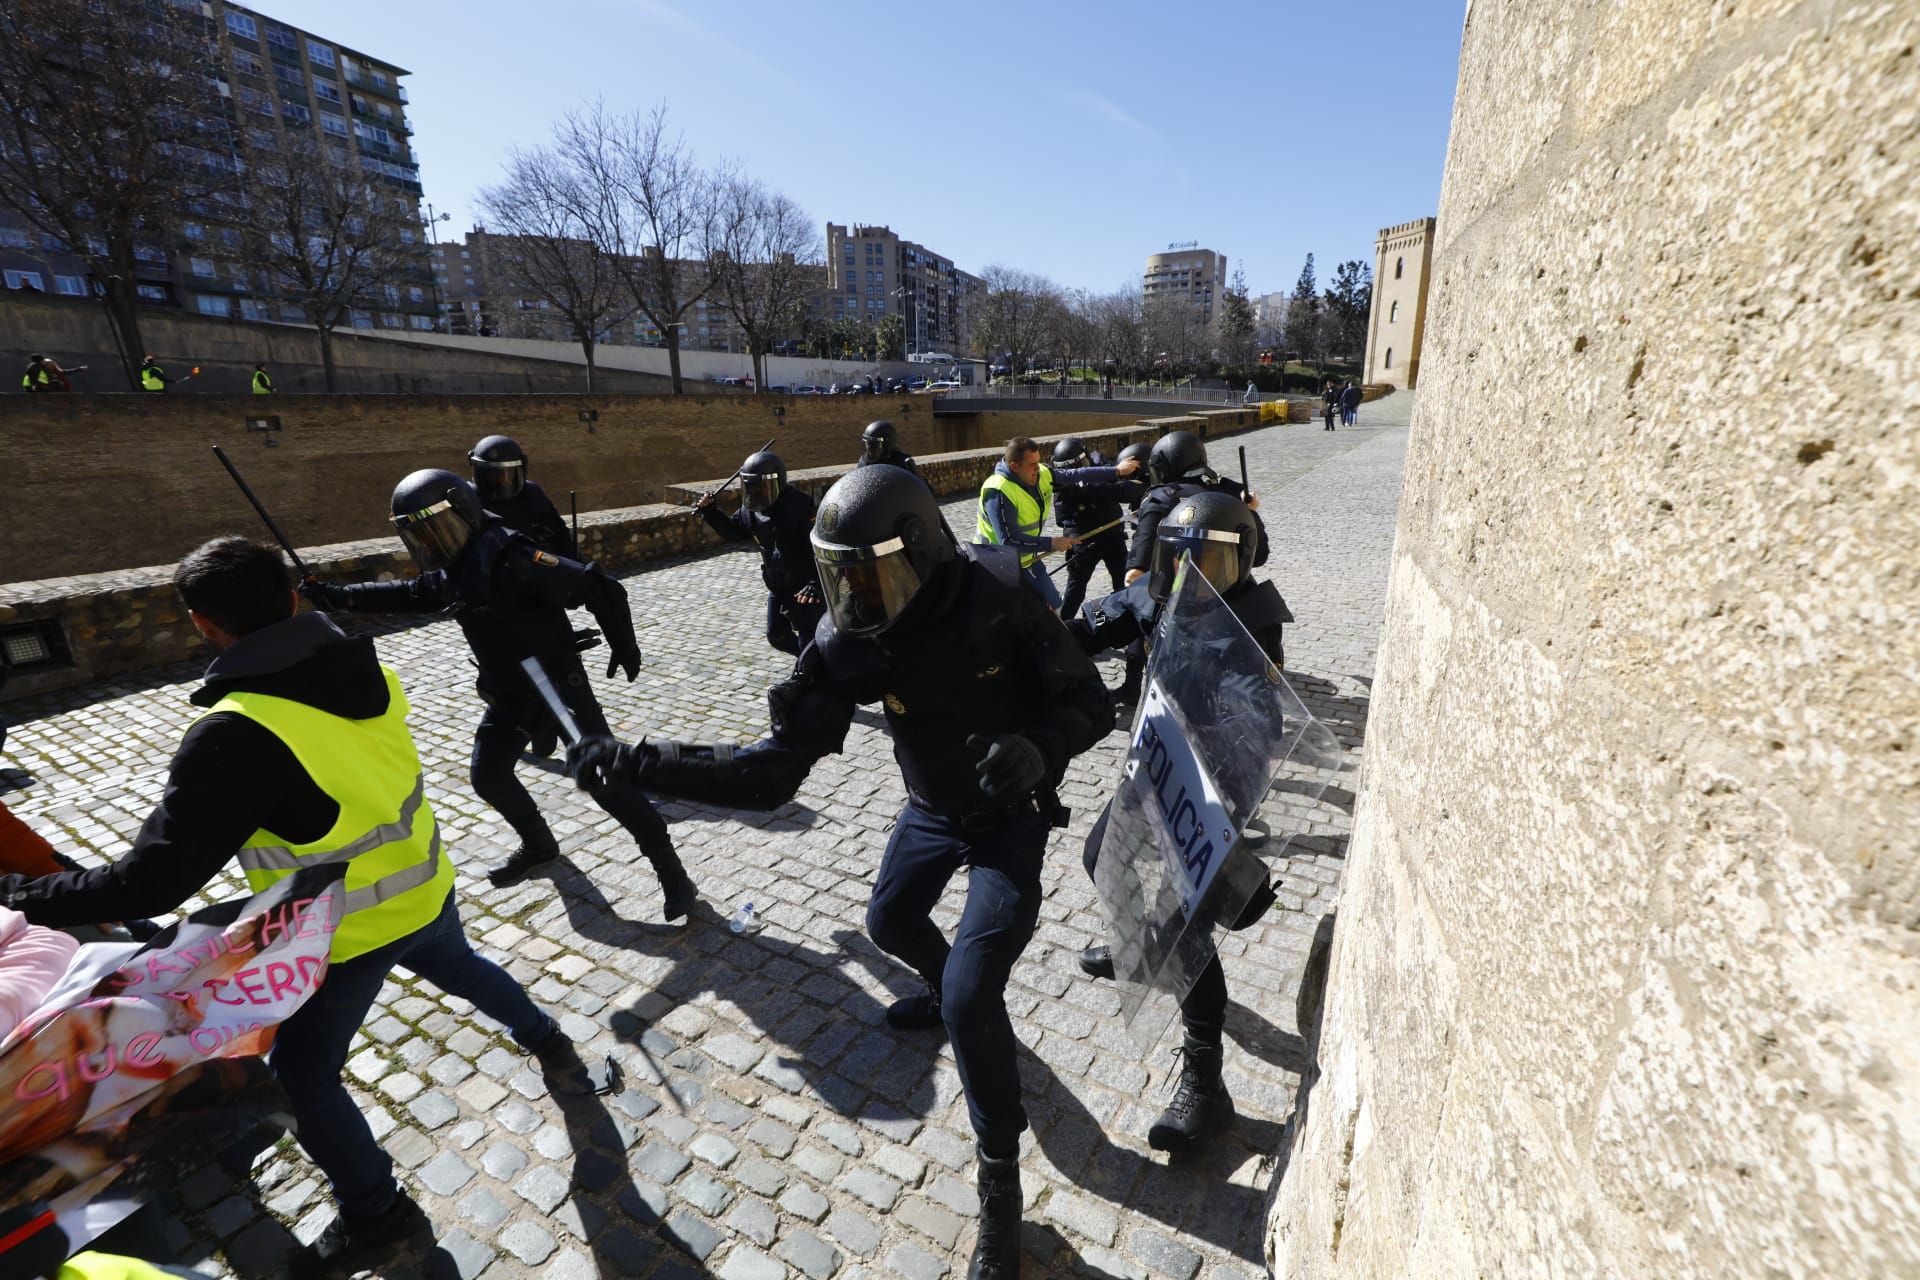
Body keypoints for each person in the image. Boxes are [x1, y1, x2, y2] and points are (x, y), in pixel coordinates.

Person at [564, 464, 1116, 1280]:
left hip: (1010, 817)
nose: (856, 599)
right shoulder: (850, 636)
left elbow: (1092, 704)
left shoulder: (1001, 594)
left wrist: (1039, 748)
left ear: (924, 553)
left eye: (872, 575)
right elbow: (770, 774)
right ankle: (946, 994)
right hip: (931, 810)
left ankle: (999, 1177)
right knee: (888, 922)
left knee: (972, 993)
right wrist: (644, 763)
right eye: (841, 578)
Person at [0, 537, 570, 1278]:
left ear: (203, 624)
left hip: (339, 938)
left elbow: (149, 884)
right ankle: (546, 1034)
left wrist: (21, 896)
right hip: (425, 886)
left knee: (306, 1078)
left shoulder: (235, 734)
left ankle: (377, 1214)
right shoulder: (373, 672)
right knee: (459, 964)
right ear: (293, 598)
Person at [301, 470, 695, 907]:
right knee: (488, 775)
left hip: (555, 687)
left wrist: (625, 647)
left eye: (438, 528)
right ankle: (541, 845)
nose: (433, 541)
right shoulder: (455, 564)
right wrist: (341, 596)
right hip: (508, 691)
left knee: (603, 779)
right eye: (422, 534)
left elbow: (599, 587)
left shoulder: (513, 556)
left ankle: (673, 875)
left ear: (465, 512)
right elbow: (413, 593)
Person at [1066, 491, 1288, 1152]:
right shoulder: (1162, 594)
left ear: (1241, 561)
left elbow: (1260, 714)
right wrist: (1044, 634)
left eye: (1208, 561)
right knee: (1097, 854)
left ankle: (1206, 1082)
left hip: (1205, 790)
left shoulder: (1252, 620)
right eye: (1179, 556)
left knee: (1185, 928)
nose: (1192, 574)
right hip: (1152, 764)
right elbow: (1101, 620)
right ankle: (1139, 949)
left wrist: (1234, 740)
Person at [1111, 431, 1266, 704]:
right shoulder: (1227, 495)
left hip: (1176, 605)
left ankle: (1134, 687)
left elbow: (1143, 548)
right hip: (1225, 604)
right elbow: (1259, 554)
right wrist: (1251, 512)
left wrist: (1134, 569)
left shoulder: (1161, 497)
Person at [976, 436, 1140, 609]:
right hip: (998, 565)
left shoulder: (1042, 473)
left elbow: (1076, 475)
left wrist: (1116, 471)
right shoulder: (998, 492)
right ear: (1014, 467)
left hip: (1028, 558)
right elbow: (1009, 541)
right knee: (1017, 613)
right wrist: (1052, 542)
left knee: (1054, 604)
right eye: (1032, 466)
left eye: (1038, 463)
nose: (1037, 469)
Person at [695, 449, 825, 656]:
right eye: (751, 487)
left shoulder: (800, 505)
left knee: (809, 638)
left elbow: (820, 546)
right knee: (777, 635)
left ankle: (808, 674)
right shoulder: (751, 508)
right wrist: (711, 512)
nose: (756, 493)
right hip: (777, 583)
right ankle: (810, 664)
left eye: (761, 487)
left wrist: (816, 583)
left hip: (803, 586)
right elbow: (735, 532)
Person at [1050, 436, 1144, 620]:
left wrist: (1092, 487)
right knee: (1075, 590)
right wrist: (1074, 539)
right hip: (1084, 540)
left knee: (1123, 583)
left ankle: (1129, 624)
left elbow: (1121, 489)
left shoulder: (1103, 467)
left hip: (1112, 535)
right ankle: (1064, 627)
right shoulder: (1061, 484)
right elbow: (1064, 519)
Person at [467, 434, 576, 558]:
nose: (503, 481)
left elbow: (560, 536)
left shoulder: (532, 495)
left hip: (532, 567)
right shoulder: (469, 500)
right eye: (494, 476)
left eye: (508, 474)